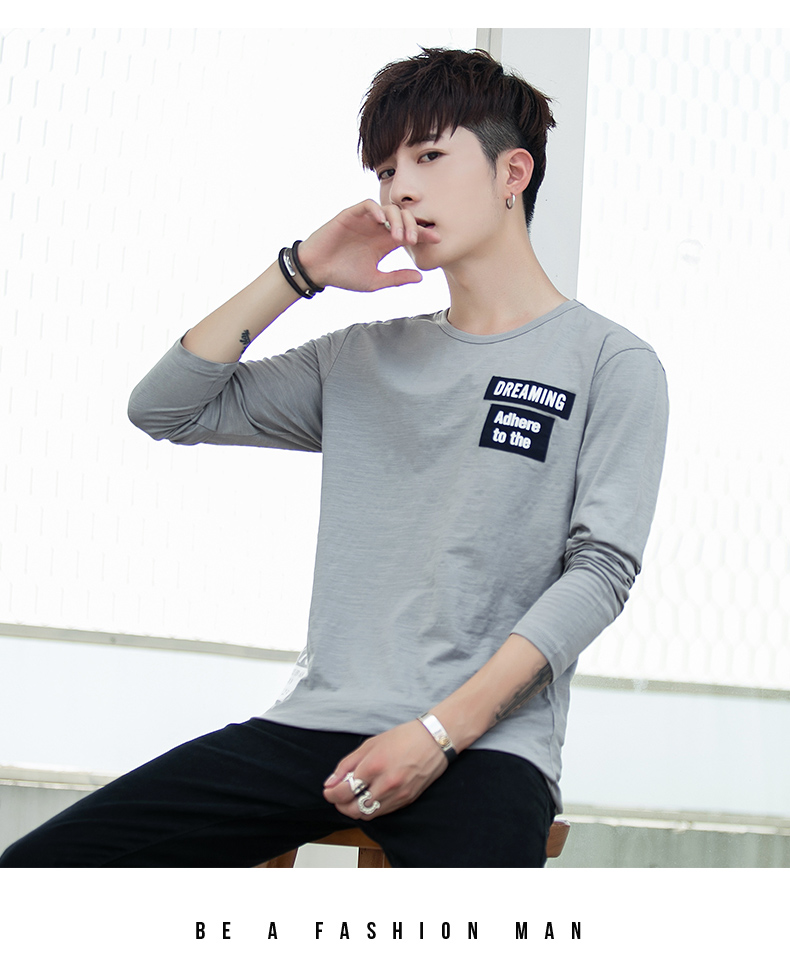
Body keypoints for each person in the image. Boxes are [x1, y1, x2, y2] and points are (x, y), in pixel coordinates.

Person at [0, 47, 668, 868]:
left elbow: (600, 572)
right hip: (315, 728)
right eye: (386, 171)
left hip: (485, 744)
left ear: (512, 173)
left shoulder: (610, 363)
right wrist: (303, 269)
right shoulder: (358, 358)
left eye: (429, 156)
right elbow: (166, 406)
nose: (401, 190)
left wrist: (439, 733)